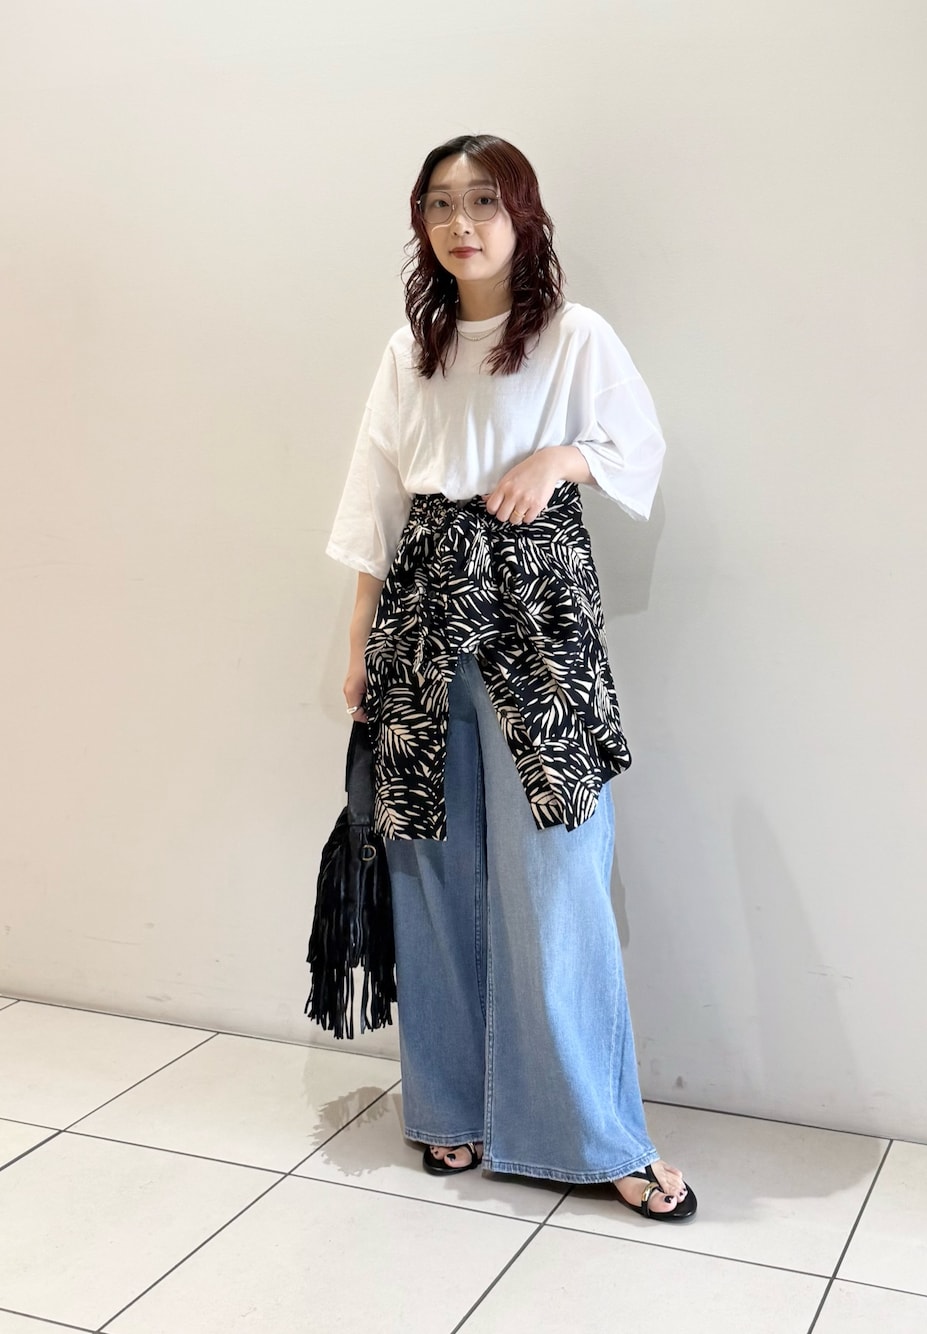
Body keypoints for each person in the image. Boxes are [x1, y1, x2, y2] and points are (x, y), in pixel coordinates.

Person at [326, 134, 696, 1222]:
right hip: (423, 605)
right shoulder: (411, 349)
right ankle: (449, 1103)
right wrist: (358, 640)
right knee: (431, 861)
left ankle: (596, 1134)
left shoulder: (575, 335)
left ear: (522, 214)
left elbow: (636, 445)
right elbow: (375, 497)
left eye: (484, 200)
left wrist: (558, 458)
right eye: (441, 204)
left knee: (560, 867)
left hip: (539, 609)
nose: (462, 223)